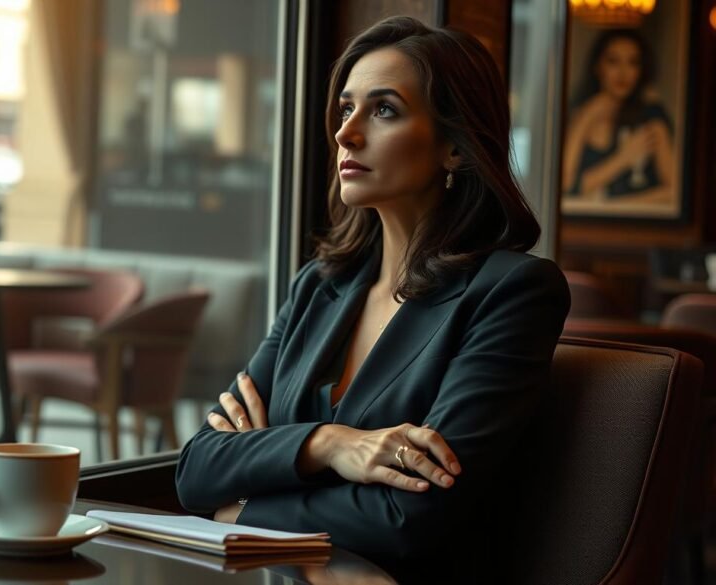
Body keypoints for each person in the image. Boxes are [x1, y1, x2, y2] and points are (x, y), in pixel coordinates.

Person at [174, 16, 570, 582]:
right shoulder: (318, 287)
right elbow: (196, 468)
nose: (346, 134)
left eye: (383, 110)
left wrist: (245, 507)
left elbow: (414, 515)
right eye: (345, 109)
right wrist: (329, 444)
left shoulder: (511, 292)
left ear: (454, 148)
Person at [562, 28, 675, 205]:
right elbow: (565, 185)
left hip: (637, 225)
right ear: (597, 66)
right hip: (586, 222)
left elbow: (673, 192)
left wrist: (616, 205)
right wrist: (586, 116)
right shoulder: (582, 112)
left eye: (633, 62)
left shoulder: (651, 118)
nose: (623, 72)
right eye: (613, 61)